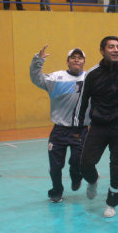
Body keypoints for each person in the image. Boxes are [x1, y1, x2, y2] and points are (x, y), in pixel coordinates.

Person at [77, 36, 118, 218]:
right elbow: (83, 102)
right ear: (102, 51)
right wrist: (80, 127)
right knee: (85, 163)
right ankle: (93, 180)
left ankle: (112, 202)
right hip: (98, 126)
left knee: (116, 166)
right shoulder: (93, 74)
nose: (115, 50)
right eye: (111, 47)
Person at [30, 45, 88, 203]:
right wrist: (38, 60)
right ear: (67, 61)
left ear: (84, 62)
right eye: (73, 58)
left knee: (78, 161)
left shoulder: (90, 79)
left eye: (80, 58)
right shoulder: (57, 78)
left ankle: (76, 177)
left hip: (80, 130)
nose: (76, 60)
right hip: (59, 130)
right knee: (55, 166)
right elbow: (37, 78)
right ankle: (56, 190)